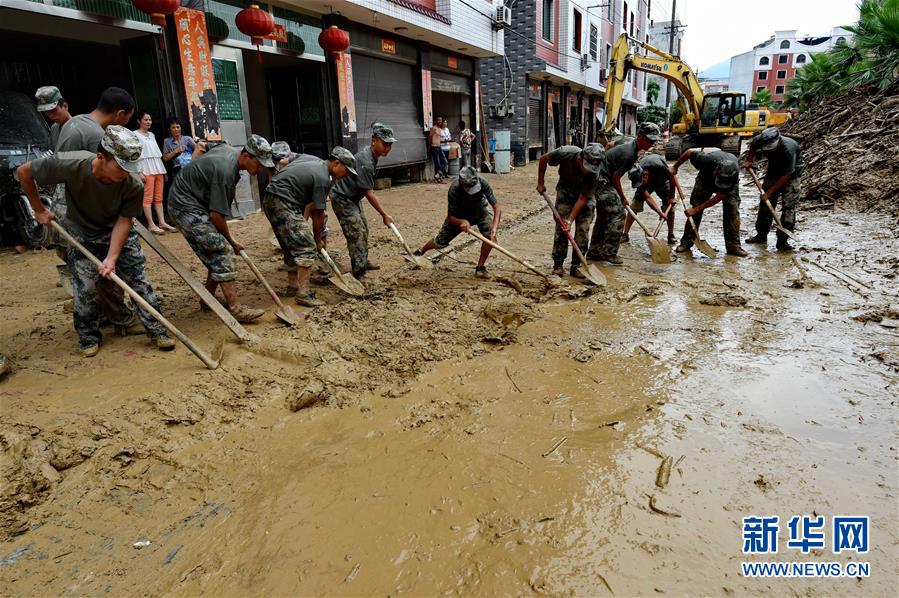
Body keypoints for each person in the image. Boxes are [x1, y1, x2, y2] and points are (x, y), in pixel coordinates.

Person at [17, 126, 176, 357]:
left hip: (117, 230)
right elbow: (24, 172)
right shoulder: (71, 164)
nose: (127, 173)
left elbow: (124, 221)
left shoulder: (132, 184)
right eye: (121, 167)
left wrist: (112, 257)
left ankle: (157, 330)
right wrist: (38, 209)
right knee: (86, 289)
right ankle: (88, 335)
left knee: (138, 280)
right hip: (83, 231)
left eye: (130, 168)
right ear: (102, 157)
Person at [167, 135, 275, 322]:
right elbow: (216, 215)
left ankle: (207, 299)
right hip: (185, 206)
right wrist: (231, 241)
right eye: (259, 164)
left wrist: (194, 167)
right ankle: (236, 309)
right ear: (246, 156)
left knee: (215, 249)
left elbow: (201, 145)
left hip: (195, 201)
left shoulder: (229, 149)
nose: (260, 169)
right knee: (222, 250)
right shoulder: (225, 171)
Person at [56, 86, 137, 333]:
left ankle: (104, 315)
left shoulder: (76, 123)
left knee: (93, 267)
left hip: (69, 207)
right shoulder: (95, 136)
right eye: (128, 119)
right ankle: (119, 317)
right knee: (105, 266)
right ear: (120, 114)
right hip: (83, 212)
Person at [263, 147, 357, 306]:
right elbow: (318, 214)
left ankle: (293, 287)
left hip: (269, 198)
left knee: (290, 245)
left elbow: (284, 161)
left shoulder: (310, 157)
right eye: (346, 171)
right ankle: (303, 293)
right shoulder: (323, 179)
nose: (346, 175)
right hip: (284, 203)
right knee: (306, 246)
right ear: (336, 163)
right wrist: (317, 239)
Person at [586, 121, 661, 265]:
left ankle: (594, 252)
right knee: (619, 215)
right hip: (602, 180)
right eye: (648, 140)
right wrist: (623, 198)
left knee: (603, 217)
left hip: (599, 177)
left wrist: (607, 159)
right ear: (640, 136)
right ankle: (609, 253)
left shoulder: (628, 141)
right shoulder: (629, 154)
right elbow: (615, 178)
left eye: (653, 141)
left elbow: (610, 145)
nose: (651, 144)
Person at [330, 123, 396, 279]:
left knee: (363, 228)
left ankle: (362, 261)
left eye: (390, 145)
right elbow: (369, 193)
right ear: (374, 141)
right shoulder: (366, 161)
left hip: (353, 197)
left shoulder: (372, 157)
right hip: (342, 197)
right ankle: (358, 272)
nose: (387, 148)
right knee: (356, 232)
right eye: (384, 143)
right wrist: (384, 214)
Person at [414, 166, 502, 278]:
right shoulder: (454, 189)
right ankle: (421, 251)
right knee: (439, 241)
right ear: (461, 184)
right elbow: (450, 217)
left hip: (480, 210)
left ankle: (480, 268)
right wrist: (462, 221)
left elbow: (497, 207)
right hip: (459, 215)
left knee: (489, 236)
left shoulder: (483, 182)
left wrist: (494, 229)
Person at [537, 143, 604, 277]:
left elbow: (583, 198)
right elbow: (543, 159)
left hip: (584, 197)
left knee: (583, 229)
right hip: (565, 190)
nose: (589, 170)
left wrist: (570, 219)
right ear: (580, 159)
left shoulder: (595, 173)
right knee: (561, 227)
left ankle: (576, 265)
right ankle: (558, 264)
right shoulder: (565, 153)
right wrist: (540, 182)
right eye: (587, 167)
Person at [670, 148, 747, 257]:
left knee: (732, 209)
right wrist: (675, 166)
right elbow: (689, 152)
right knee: (695, 208)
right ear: (716, 171)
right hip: (705, 179)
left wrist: (696, 209)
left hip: (729, 184)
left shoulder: (733, 174)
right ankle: (686, 242)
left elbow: (721, 195)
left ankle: (733, 246)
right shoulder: (705, 160)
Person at [743, 127, 805, 251]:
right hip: (774, 171)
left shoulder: (788, 148)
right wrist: (749, 160)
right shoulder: (760, 139)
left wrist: (770, 191)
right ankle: (761, 235)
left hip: (791, 174)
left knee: (788, 206)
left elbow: (786, 175)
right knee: (766, 204)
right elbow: (753, 146)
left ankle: (782, 241)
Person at [132, 111, 174, 234]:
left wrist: (163, 170)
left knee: (159, 198)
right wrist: (139, 171)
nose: (148, 122)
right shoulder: (134, 135)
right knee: (147, 198)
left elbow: (157, 154)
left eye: (150, 119)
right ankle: (151, 224)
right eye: (145, 120)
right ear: (139, 121)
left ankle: (162, 222)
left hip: (157, 168)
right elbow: (134, 155)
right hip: (145, 168)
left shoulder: (152, 135)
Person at [623, 153, 677, 244]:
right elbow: (648, 198)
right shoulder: (637, 173)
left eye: (642, 182)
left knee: (669, 206)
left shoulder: (660, 168)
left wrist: (671, 197)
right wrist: (660, 213)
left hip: (662, 181)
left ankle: (670, 235)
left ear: (645, 174)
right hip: (649, 179)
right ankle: (625, 234)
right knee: (635, 205)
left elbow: (672, 178)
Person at [34, 85, 71, 150]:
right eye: (46, 111)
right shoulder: (54, 128)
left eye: (53, 110)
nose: (50, 115)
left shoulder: (81, 127)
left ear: (65, 106)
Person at [429, 117, 448, 182]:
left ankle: (438, 174)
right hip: (434, 147)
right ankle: (439, 179)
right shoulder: (433, 128)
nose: (440, 121)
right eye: (438, 120)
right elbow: (430, 137)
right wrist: (429, 146)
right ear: (435, 121)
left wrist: (445, 140)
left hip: (439, 147)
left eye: (441, 120)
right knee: (437, 163)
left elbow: (439, 138)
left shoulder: (439, 129)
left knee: (445, 162)